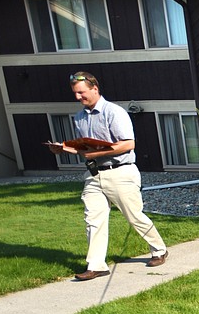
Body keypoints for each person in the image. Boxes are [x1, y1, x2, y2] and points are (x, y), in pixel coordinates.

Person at [47, 72, 169, 281]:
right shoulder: (79, 118)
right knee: (93, 219)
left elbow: (128, 144)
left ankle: (159, 249)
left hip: (120, 172)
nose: (78, 98)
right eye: (75, 94)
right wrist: (64, 149)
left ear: (95, 88)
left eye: (82, 93)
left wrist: (98, 153)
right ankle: (96, 265)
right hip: (94, 175)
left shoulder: (115, 112)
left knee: (134, 216)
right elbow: (86, 147)